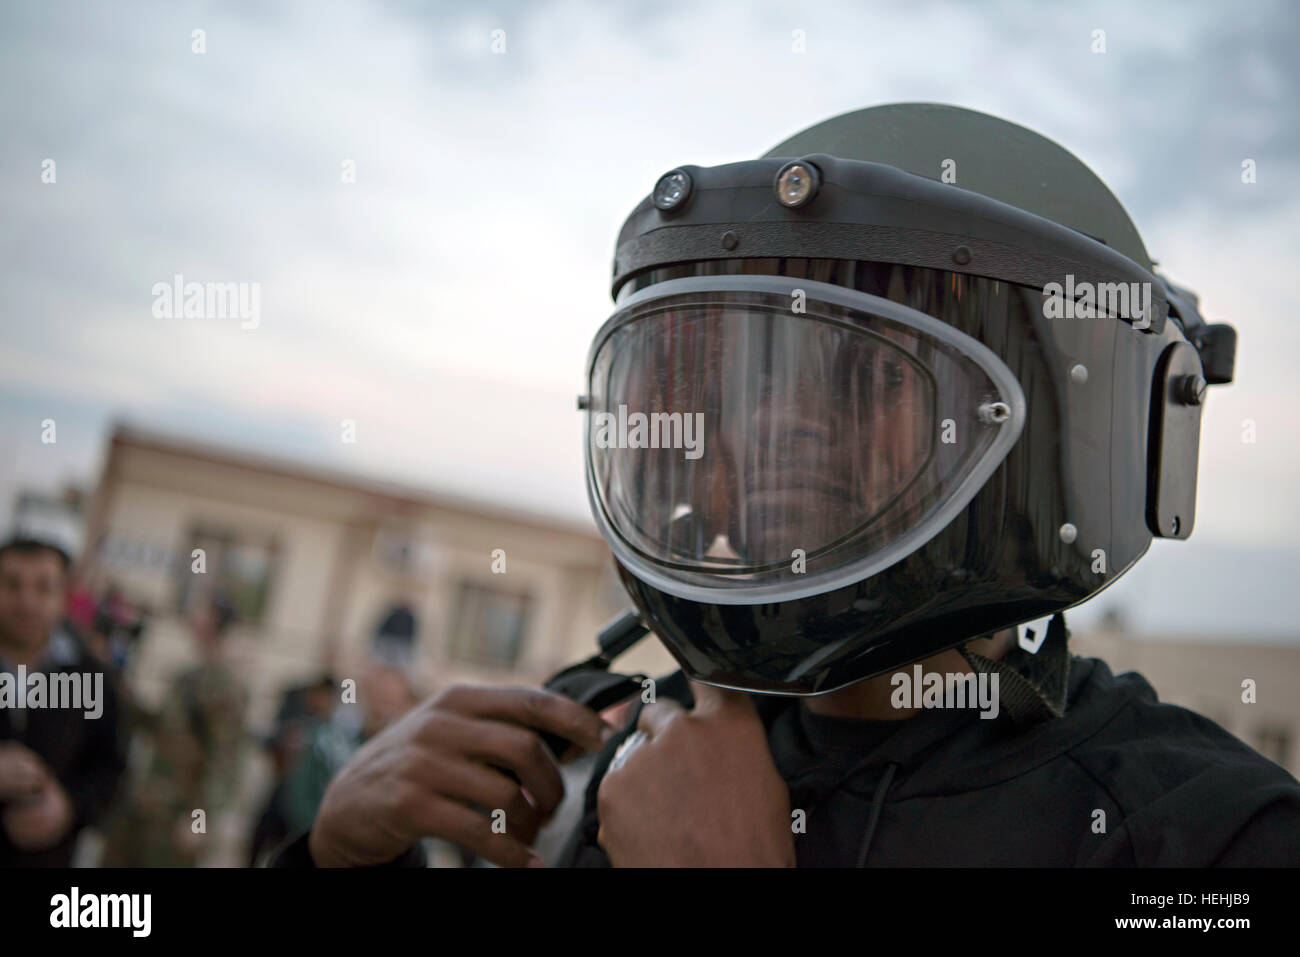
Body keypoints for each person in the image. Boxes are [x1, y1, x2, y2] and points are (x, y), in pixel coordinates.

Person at [274, 103, 1300, 868]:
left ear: (1062, 428)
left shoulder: (1209, 841)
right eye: (738, 378)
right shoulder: (650, 750)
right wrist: (335, 857)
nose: (774, 421)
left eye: (863, 371)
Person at [0, 537, 127, 867]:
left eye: (43, 587)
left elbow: (111, 771)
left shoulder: (93, 678)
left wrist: (70, 806)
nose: (26, 601)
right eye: (12, 585)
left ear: (62, 596)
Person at [104, 592, 248, 866]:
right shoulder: (188, 675)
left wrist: (199, 819)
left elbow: (225, 759)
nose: (193, 614)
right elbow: (166, 729)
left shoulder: (222, 683)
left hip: (175, 815)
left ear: (214, 621)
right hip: (148, 806)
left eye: (201, 610)